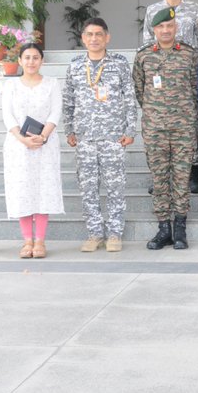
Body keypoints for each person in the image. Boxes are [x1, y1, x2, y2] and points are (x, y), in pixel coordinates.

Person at [63, 17, 138, 253]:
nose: (94, 39)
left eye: (98, 34)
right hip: (84, 137)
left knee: (115, 186)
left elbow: (129, 97)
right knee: (88, 187)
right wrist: (69, 129)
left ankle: (114, 233)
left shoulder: (119, 63)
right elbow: (68, 100)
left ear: (107, 37)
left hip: (113, 136)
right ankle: (95, 232)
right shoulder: (75, 65)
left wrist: (130, 129)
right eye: (89, 35)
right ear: (83, 38)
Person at [133, 7, 198, 251]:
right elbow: (140, 91)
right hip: (155, 129)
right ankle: (164, 228)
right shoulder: (143, 57)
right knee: (160, 179)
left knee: (182, 179)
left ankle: (180, 228)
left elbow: (195, 89)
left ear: (176, 28)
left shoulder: (189, 55)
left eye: (169, 26)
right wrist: (155, 113)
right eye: (160, 27)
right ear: (154, 30)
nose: (165, 30)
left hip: (183, 128)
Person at [141, 0, 198, 197]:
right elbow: (147, 42)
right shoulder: (153, 10)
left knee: (191, 122)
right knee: (159, 127)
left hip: (186, 75)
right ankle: (161, 176)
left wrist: (191, 62)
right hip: (161, 77)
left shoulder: (194, 9)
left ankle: (194, 171)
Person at [0, 42, 63, 259]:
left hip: (45, 145)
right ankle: (27, 241)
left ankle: (40, 241)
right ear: (19, 61)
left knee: (42, 190)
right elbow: (8, 115)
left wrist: (43, 136)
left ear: (42, 61)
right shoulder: (11, 86)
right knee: (23, 190)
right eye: (27, 57)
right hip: (19, 147)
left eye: (36, 57)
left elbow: (55, 112)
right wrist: (21, 139)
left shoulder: (52, 84)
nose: (31, 62)